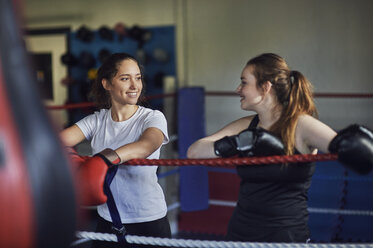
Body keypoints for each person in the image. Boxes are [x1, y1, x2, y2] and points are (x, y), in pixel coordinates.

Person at [187, 53, 373, 243]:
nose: (238, 89)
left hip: (285, 236)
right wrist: (237, 142)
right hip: (241, 234)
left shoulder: (300, 125)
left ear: (265, 87)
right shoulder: (248, 126)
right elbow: (194, 152)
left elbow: (355, 149)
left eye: (244, 82)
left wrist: (357, 145)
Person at [60, 53, 171, 248]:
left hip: (148, 220)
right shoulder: (97, 120)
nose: (135, 86)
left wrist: (104, 159)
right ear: (107, 84)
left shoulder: (152, 118)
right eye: (125, 78)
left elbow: (146, 146)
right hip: (108, 219)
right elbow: (58, 142)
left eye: (138, 78)